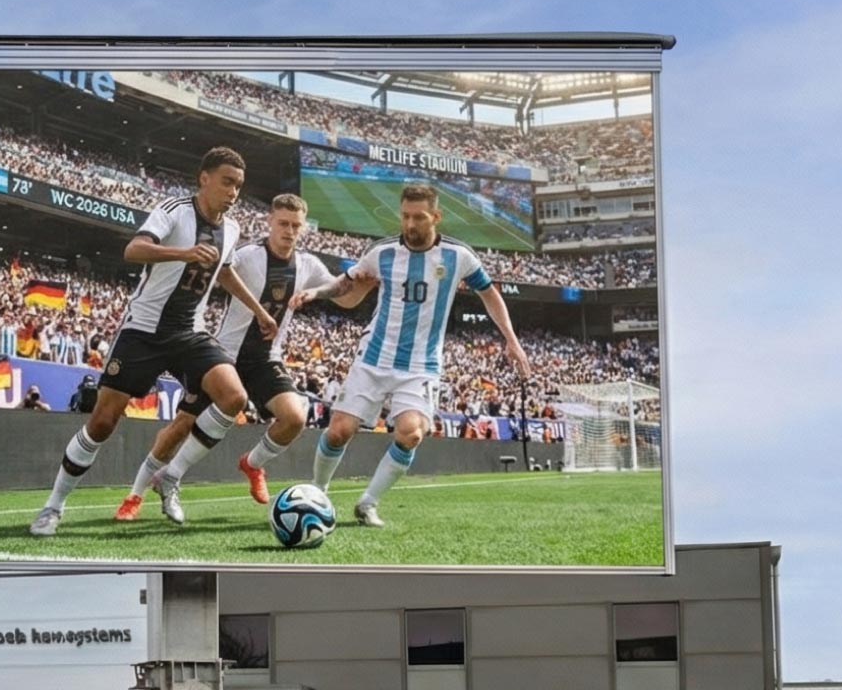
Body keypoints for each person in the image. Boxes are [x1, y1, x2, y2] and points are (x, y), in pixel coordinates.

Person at [31, 147, 248, 537]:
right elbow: (133, 250)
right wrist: (182, 253)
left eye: (239, 186)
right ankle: (53, 506)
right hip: (143, 331)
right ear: (205, 178)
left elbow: (225, 273)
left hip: (189, 331)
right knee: (102, 423)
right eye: (227, 182)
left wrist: (260, 312)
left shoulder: (231, 229)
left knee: (234, 397)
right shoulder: (175, 209)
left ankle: (171, 476)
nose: (233, 192)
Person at [295, 182, 529, 527]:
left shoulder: (458, 256)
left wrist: (511, 339)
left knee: (412, 433)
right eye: (405, 216)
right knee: (338, 431)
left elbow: (490, 294)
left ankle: (368, 503)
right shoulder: (382, 252)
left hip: (421, 364)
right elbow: (345, 283)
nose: (409, 225)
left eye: (418, 217)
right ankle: (317, 493)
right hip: (374, 355)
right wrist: (316, 292)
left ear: (436, 216)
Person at [130, 192, 324, 523]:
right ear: (270, 222)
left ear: (303, 228)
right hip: (225, 356)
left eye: (295, 225)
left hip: (266, 359)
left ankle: (251, 464)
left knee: (294, 417)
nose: (289, 231)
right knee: (182, 425)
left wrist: (353, 282)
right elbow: (213, 275)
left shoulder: (308, 265)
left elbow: (342, 294)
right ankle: (134, 495)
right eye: (283, 223)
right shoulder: (248, 256)